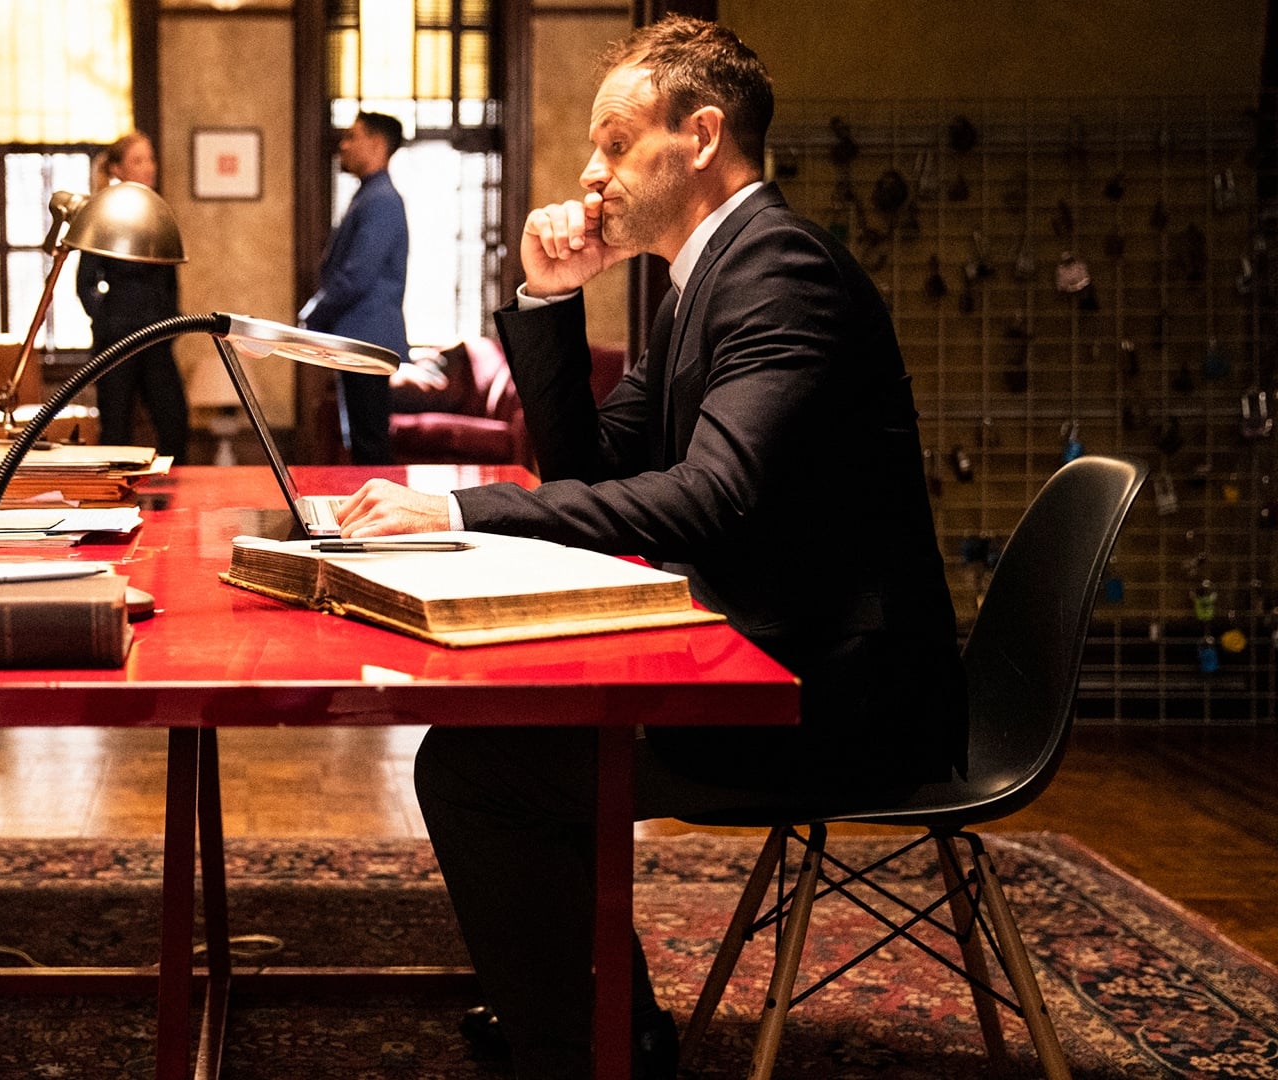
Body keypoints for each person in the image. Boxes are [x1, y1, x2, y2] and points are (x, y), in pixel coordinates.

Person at [335, 17, 966, 1080]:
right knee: (514, 727)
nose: (592, 172)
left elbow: (712, 498)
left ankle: (582, 1052)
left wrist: (455, 514)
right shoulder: (701, 282)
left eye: (618, 142)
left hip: (836, 697)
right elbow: (590, 466)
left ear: (703, 136)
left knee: (474, 768)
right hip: (768, 656)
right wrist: (551, 298)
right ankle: (605, 1026)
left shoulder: (779, 270)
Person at [300, 111, 409, 464]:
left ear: (377, 143)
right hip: (361, 337)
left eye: (352, 137)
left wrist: (313, 312)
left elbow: (357, 275)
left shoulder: (381, 199)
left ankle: (380, 501)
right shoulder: (370, 195)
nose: (343, 145)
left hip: (367, 339)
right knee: (363, 439)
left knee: (369, 443)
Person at [77, 131, 190, 461]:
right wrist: (107, 319)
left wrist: (171, 320)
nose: (149, 167)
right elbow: (85, 283)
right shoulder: (104, 214)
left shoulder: (159, 214)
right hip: (117, 340)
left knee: (175, 421)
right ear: (118, 169)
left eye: (150, 159)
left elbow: (171, 279)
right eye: (138, 160)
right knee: (116, 427)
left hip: (157, 335)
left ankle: (176, 489)